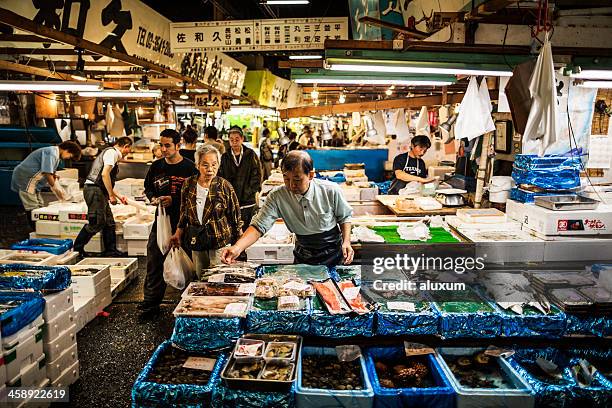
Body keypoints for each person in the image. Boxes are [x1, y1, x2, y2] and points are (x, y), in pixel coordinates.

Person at [221, 151, 354, 267]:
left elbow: (345, 217)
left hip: (332, 251)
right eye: (286, 178)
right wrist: (238, 247)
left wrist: (346, 241)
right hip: (303, 252)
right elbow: (258, 227)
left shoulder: (330, 190)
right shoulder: (277, 196)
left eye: (297, 179)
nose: (291, 185)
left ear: (311, 175)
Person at [139, 129, 197, 320]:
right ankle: (151, 303)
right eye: (161, 145)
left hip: (184, 222)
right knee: (154, 259)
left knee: (187, 260)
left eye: (167, 145)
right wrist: (153, 198)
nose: (163, 149)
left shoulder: (190, 168)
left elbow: (196, 196)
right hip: (161, 221)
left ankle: (188, 303)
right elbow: (148, 188)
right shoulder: (156, 167)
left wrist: (174, 200)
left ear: (177, 145)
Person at [170, 145, 242, 278]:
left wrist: (239, 244)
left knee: (218, 279)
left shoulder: (224, 186)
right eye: (205, 165)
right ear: (197, 165)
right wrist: (178, 233)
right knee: (201, 277)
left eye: (214, 165)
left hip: (219, 240)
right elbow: (184, 211)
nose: (210, 169)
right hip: (197, 239)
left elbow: (235, 215)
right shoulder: (188, 184)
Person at [73, 137, 133, 257]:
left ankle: (110, 251)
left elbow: (106, 181)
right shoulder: (112, 153)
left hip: (99, 190)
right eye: (129, 149)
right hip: (95, 191)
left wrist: (119, 196)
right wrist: (111, 196)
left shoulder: (110, 153)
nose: (128, 152)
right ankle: (77, 249)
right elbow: (105, 175)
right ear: (125, 146)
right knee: (96, 223)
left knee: (109, 222)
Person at [11, 141, 82, 227]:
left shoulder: (55, 155)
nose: (67, 158)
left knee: (40, 204)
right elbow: (48, 174)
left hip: (32, 180)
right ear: (67, 150)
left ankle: (41, 226)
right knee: (32, 205)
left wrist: (55, 177)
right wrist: (58, 190)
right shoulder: (51, 153)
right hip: (26, 178)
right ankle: (35, 228)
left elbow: (51, 172)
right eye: (70, 156)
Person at [218, 125, 262, 228]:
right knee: (233, 230)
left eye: (237, 139)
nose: (234, 141)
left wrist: (249, 191)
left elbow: (257, 175)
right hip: (230, 201)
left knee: (248, 229)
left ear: (242, 139)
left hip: (248, 202)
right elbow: (221, 178)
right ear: (228, 140)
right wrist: (227, 194)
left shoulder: (251, 154)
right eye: (231, 139)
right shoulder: (224, 157)